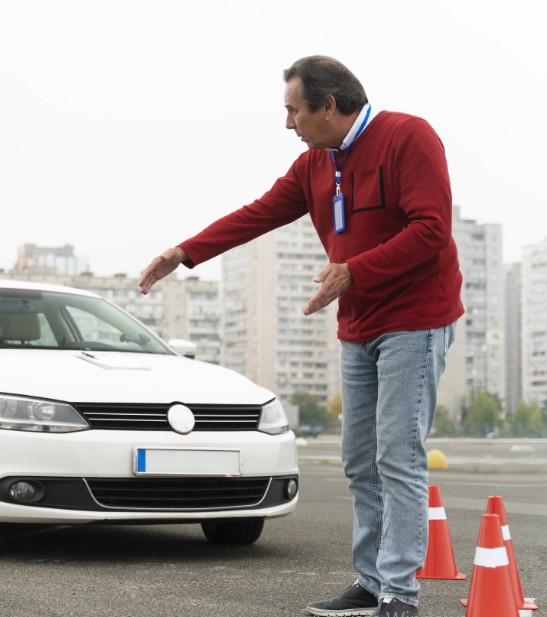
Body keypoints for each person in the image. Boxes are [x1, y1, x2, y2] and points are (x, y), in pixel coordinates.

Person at [137, 56, 462, 617]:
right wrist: (185, 252)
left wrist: (354, 270)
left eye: (294, 111)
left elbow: (431, 229)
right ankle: (370, 583)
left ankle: (399, 594)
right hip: (358, 325)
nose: (288, 123)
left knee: (398, 457)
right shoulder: (315, 163)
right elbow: (257, 213)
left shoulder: (408, 136)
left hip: (415, 319)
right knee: (358, 460)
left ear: (328, 106)